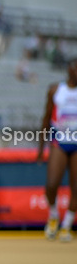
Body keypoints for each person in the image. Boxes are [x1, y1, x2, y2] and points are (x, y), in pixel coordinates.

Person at [38, 59, 77, 242]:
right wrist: (40, 147)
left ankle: (67, 225)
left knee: (76, 187)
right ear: (70, 69)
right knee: (52, 184)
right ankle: (53, 215)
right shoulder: (56, 90)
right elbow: (46, 118)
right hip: (59, 141)